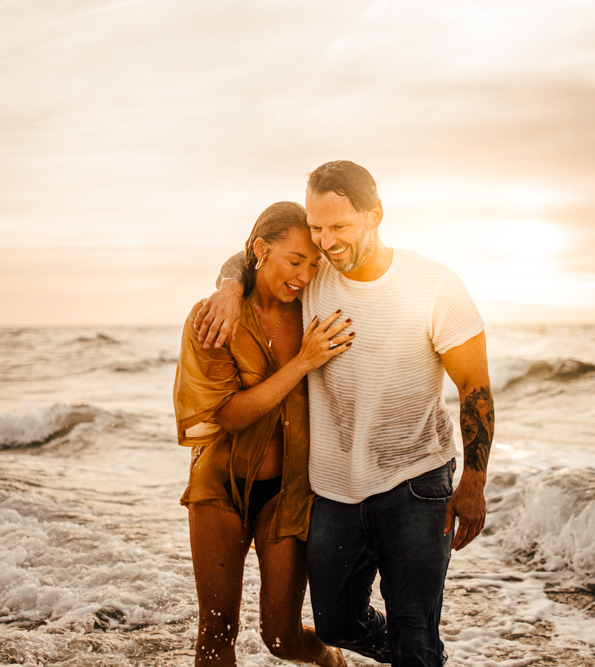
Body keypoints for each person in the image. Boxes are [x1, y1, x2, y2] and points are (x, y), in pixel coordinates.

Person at [193, 161, 494, 667]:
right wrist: (227, 287)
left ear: (375, 215)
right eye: (317, 226)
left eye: (339, 226)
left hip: (417, 481)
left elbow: (475, 389)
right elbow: (254, 255)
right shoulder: (313, 275)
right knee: (334, 623)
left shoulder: (435, 285)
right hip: (333, 489)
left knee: (415, 631)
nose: (326, 241)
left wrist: (475, 481)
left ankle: (416, 654)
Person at [175, 201, 353, 667]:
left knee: (282, 638)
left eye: (314, 263)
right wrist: (303, 362)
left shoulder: (317, 308)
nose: (305, 274)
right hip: (220, 485)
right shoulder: (216, 317)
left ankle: (332, 661)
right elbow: (230, 416)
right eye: (295, 261)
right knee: (216, 631)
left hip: (289, 493)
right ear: (259, 249)